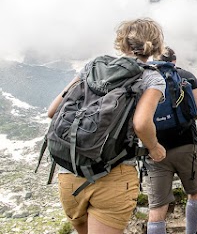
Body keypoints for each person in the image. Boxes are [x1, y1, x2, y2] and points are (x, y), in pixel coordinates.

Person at [47, 18, 167, 234]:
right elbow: (141, 124)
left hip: (70, 172)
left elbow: (52, 111)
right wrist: (155, 148)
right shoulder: (151, 77)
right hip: (115, 173)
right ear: (155, 45)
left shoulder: (92, 67)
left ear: (123, 42)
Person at [145, 47, 197, 234]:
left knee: (157, 207)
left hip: (154, 150)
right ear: (174, 61)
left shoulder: (143, 79)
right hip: (186, 144)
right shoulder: (186, 75)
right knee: (194, 192)